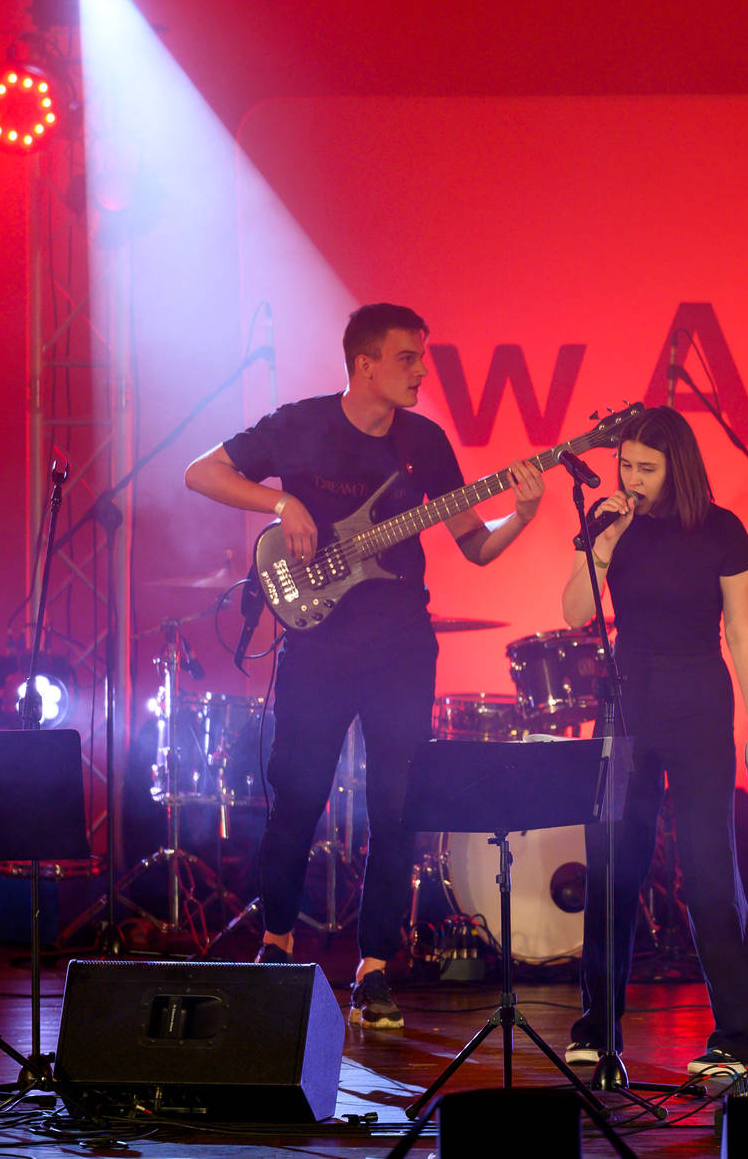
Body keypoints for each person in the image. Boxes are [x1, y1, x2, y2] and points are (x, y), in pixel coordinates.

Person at [184, 303, 544, 1027]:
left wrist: (523, 516)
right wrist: (281, 502)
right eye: (408, 357)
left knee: (396, 807)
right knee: (298, 797)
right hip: (318, 645)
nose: (421, 371)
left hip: (400, 646)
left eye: (423, 357)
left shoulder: (424, 444)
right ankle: (278, 946)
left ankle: (375, 969)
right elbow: (201, 473)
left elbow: (474, 545)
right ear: (365, 364)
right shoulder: (301, 425)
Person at [559, 406, 748, 1079]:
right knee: (613, 869)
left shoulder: (722, 530)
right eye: (626, 465)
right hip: (627, 702)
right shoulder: (612, 527)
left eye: (646, 468)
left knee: (709, 872)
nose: (632, 478)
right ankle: (598, 1028)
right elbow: (575, 611)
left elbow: (741, 632)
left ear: (677, 467)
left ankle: (738, 1039)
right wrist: (602, 542)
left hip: (699, 704)